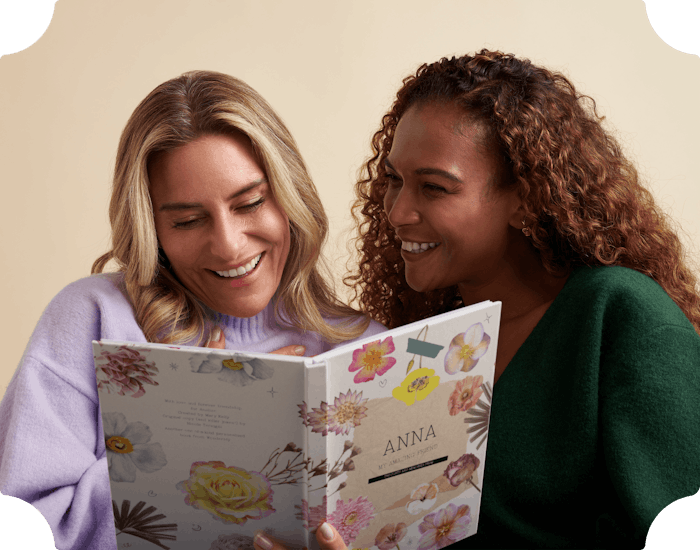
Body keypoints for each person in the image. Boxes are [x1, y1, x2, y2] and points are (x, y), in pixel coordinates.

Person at [0, 71, 384, 550]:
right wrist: (204, 433)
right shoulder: (92, 320)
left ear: (290, 197)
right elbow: (24, 528)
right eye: (187, 220)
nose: (227, 245)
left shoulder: (367, 351)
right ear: (151, 228)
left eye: (250, 203)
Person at [341, 50, 700, 548]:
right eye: (394, 181)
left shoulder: (620, 317)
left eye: (434, 188)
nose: (398, 211)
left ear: (527, 198)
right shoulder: (429, 336)